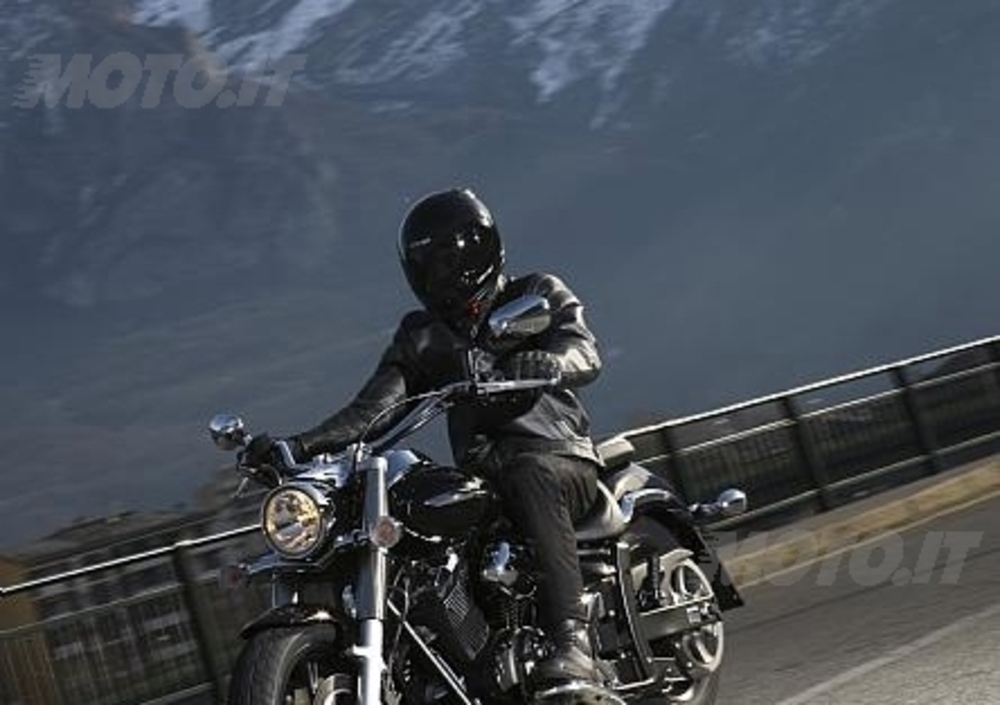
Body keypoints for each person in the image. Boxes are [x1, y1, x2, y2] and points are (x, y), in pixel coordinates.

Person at [246, 187, 605, 686]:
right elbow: (373, 410)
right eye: (426, 266)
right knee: (418, 512)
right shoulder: (423, 334)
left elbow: (584, 350)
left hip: (558, 456)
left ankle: (572, 640)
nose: (438, 276)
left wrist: (549, 362)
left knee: (528, 473)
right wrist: (299, 447)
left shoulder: (535, 292)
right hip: (484, 474)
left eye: (447, 260)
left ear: (478, 251)